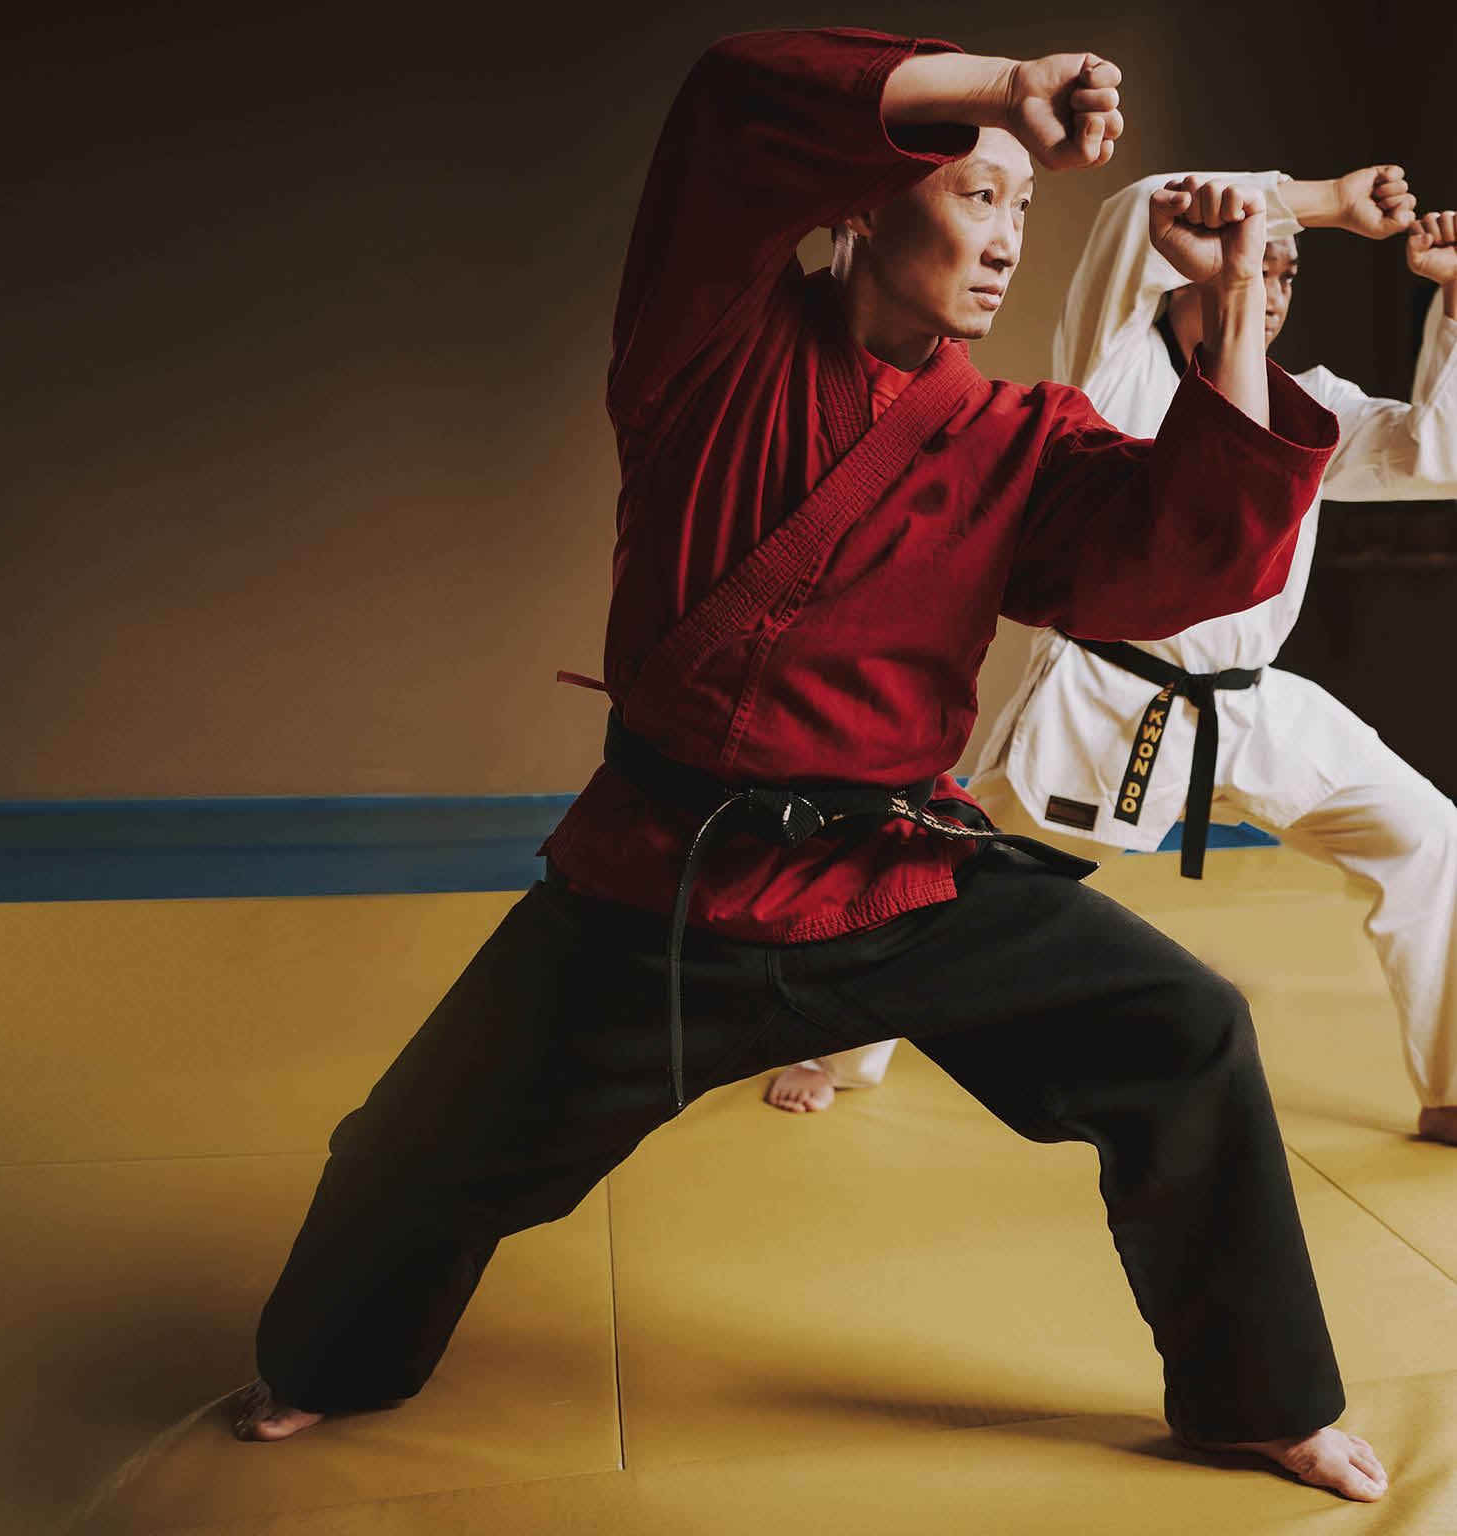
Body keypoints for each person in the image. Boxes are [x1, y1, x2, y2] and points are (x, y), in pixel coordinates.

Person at [229, 28, 1391, 1501]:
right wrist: (996, 91)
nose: (1004, 241)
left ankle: (1255, 1399)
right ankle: (329, 1364)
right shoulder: (708, 339)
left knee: (1189, 1027)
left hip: (897, 879)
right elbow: (729, 105)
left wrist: (1229, 308)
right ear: (864, 198)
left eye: (1025, 213)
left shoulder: (1018, 442)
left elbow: (1180, 565)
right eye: (978, 196)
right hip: (663, 883)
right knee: (418, 1148)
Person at [770, 180, 1457, 1136]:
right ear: (1186, 269)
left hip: (1255, 708)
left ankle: (1453, 1091)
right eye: (1252, 267)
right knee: (959, 875)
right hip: (1112, 703)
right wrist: (1331, 202)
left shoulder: (1310, 403)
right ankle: (836, 1045)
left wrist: (1456, 303)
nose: (1266, 292)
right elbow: (1136, 213)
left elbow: (1438, 451)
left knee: (1430, 835)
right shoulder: (1118, 360)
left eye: (1285, 276)